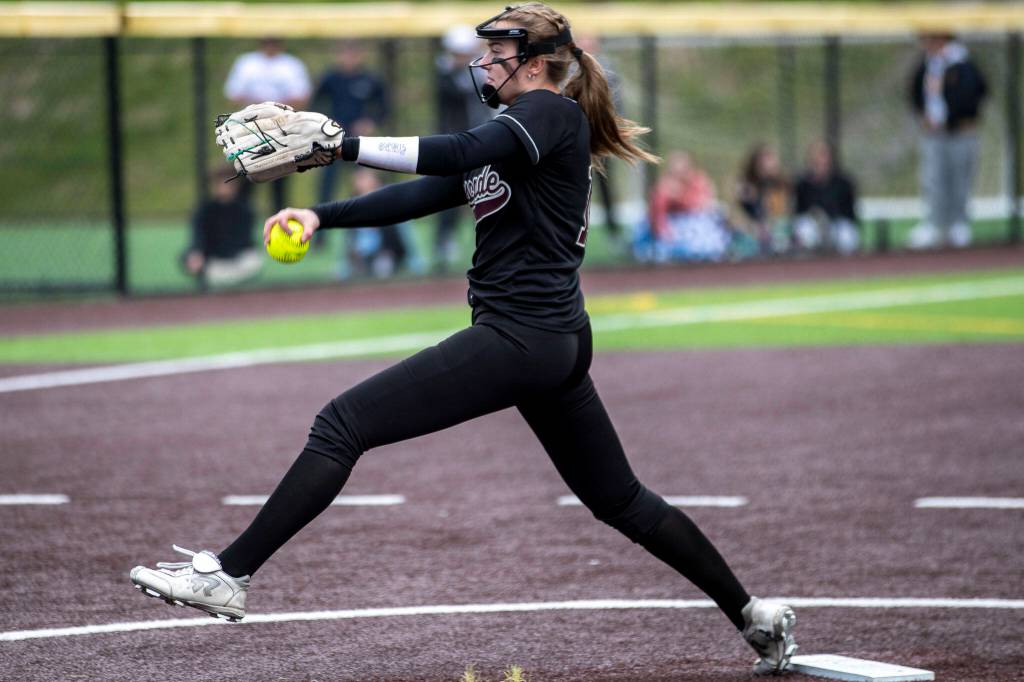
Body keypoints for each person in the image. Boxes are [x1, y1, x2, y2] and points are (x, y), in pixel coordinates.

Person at [130, 3, 798, 676]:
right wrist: (319, 214)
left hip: (521, 339)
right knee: (621, 500)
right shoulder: (514, 130)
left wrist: (346, 146)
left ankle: (231, 574)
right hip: (550, 341)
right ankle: (753, 614)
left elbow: (459, 151)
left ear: (535, 62)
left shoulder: (548, 113)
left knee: (342, 424)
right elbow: (432, 189)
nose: (483, 62)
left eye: (497, 50)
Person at [907, 32, 988, 249]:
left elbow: (975, 93)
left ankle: (958, 225)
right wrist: (925, 116)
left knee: (960, 178)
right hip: (934, 133)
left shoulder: (963, 64)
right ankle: (934, 224)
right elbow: (914, 93)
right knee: (932, 179)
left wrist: (951, 115)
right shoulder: (926, 66)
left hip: (960, 131)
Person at [223, 37, 313, 217]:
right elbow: (233, 94)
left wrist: (271, 108)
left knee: (279, 185)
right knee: (246, 183)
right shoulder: (247, 63)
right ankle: (243, 234)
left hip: (280, 131)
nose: (270, 46)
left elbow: (302, 97)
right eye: (267, 42)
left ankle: (280, 225)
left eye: (274, 42)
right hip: (250, 131)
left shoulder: (290, 65)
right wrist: (258, 106)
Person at [433, 25, 496, 273]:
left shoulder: (482, 71)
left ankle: (490, 244)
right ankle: (443, 244)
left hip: (482, 141)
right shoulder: (445, 74)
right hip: (454, 142)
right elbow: (456, 93)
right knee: (447, 193)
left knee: (487, 192)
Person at [634, 151, 730, 262]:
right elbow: (656, 211)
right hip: (674, 226)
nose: (678, 171)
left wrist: (679, 198)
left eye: (682, 166)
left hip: (696, 226)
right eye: (675, 166)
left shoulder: (698, 180)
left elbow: (700, 204)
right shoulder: (665, 184)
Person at [180, 166, 261, 288]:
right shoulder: (205, 210)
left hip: (238, 263)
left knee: (253, 261)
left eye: (230, 183)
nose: (226, 188)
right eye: (222, 183)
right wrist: (196, 254)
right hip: (215, 264)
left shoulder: (244, 209)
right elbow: (197, 239)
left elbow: (246, 242)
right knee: (197, 263)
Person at [792, 141, 860, 255]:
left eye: (823, 156)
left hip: (836, 224)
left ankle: (845, 268)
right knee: (805, 230)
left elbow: (850, 213)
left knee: (846, 236)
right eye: (816, 158)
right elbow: (799, 211)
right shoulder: (803, 184)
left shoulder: (843, 182)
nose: (820, 161)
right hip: (813, 225)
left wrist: (832, 217)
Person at [341, 168, 411, 279]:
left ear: (375, 180)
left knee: (382, 265)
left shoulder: (390, 202)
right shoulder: (351, 207)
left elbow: (404, 241)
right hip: (362, 258)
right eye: (358, 178)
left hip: (387, 255)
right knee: (357, 267)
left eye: (363, 178)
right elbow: (350, 243)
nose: (358, 182)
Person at [736, 144, 791, 255]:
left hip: (774, 227)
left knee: (779, 238)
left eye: (770, 162)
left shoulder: (780, 185)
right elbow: (737, 211)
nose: (766, 167)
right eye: (762, 163)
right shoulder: (747, 184)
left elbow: (779, 212)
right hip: (751, 228)